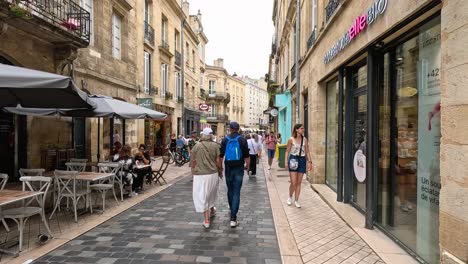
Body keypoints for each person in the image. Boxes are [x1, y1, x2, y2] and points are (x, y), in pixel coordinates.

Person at [218, 121, 250, 228]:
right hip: (239, 167)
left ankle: (232, 208)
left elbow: (221, 156)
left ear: (230, 129)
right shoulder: (242, 139)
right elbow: (247, 156)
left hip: (228, 167)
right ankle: (233, 218)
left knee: (230, 190)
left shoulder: (225, 139)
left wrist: (220, 168)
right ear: (238, 129)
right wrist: (248, 166)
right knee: (237, 191)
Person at [191, 127, 222, 228]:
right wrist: (221, 171)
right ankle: (212, 210)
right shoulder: (215, 146)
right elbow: (218, 161)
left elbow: (193, 161)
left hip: (200, 175)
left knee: (202, 195)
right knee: (212, 192)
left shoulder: (196, 146)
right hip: (213, 173)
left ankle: (206, 220)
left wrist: (193, 171)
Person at [284, 124, 312, 208]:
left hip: (302, 160)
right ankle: (289, 197)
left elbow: (307, 151)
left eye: (303, 128)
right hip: (293, 159)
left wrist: (310, 161)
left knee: (299, 182)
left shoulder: (305, 140)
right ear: (296, 129)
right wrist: (286, 162)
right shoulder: (291, 139)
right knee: (293, 182)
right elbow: (287, 151)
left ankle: (296, 200)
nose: (303, 130)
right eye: (301, 128)